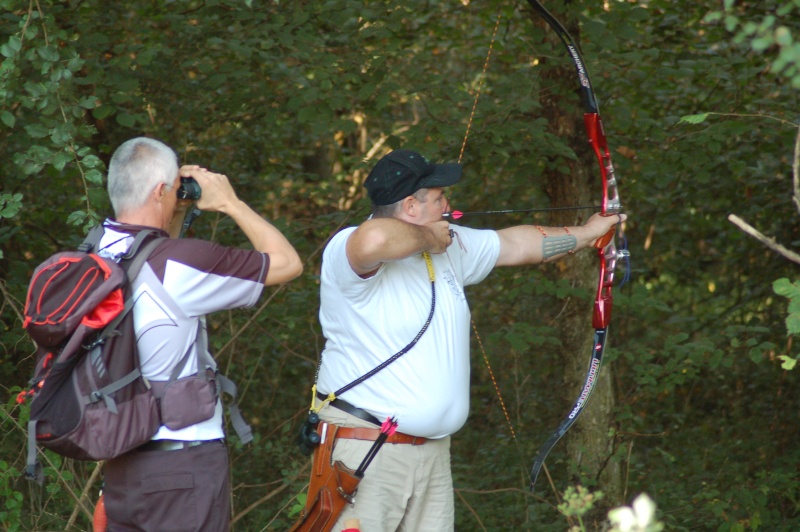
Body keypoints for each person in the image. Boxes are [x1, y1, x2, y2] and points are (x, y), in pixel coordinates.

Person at [311, 149, 625, 531]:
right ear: (410, 205)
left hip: (430, 453)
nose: (448, 204)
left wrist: (589, 234)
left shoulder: (448, 247)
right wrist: (428, 236)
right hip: (366, 450)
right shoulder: (350, 249)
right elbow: (374, 238)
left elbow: (517, 245)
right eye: (440, 197)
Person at [97, 137, 303, 531]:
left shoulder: (97, 251)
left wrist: (173, 208)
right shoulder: (180, 263)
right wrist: (229, 202)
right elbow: (288, 263)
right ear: (161, 191)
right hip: (182, 464)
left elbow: (154, 260)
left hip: (121, 459)